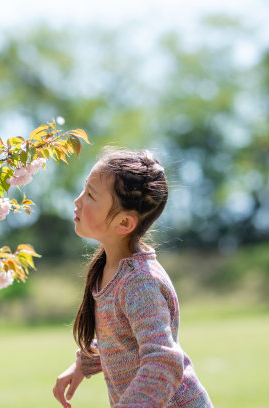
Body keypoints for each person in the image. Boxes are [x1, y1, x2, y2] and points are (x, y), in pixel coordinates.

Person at [52, 149, 212, 408]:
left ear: (124, 223)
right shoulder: (112, 269)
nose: (78, 201)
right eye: (84, 189)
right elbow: (121, 338)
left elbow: (163, 360)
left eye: (91, 195)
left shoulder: (139, 282)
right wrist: (83, 363)